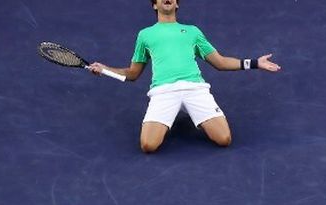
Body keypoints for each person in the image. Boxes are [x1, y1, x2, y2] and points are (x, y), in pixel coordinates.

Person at [88, 0, 281, 153]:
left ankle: (192, 113)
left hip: (195, 89)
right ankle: (173, 115)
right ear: (154, 5)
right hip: (163, 93)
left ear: (177, 4)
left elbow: (220, 62)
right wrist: (105, 69)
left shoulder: (192, 32)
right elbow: (132, 74)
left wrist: (255, 63)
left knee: (224, 139)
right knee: (148, 145)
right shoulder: (145, 35)